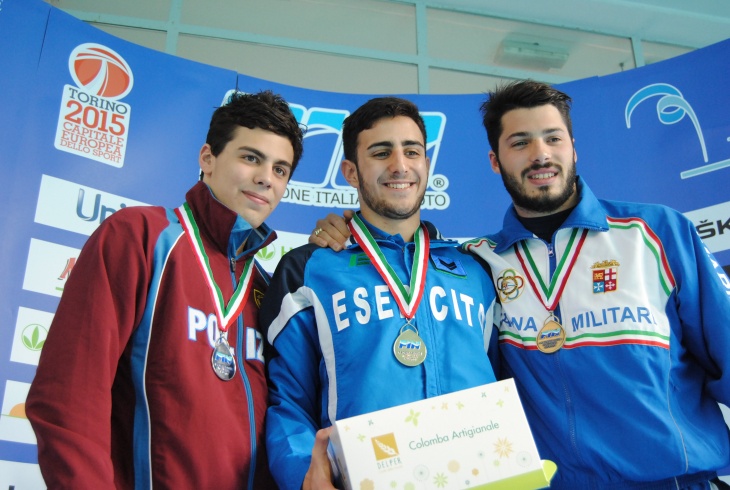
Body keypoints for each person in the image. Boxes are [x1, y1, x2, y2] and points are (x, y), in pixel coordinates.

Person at [311, 80, 730, 489]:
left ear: (573, 147)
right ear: (495, 160)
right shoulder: (478, 261)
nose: (540, 155)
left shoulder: (654, 233)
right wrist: (347, 229)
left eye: (553, 138)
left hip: (672, 480)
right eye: (520, 143)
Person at [25, 90, 304, 489]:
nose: (266, 178)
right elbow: (68, 399)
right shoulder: (140, 237)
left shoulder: (266, 289)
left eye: (281, 169)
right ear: (207, 159)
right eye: (251, 157)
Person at [260, 96, 499, 490]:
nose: (400, 165)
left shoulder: (475, 271)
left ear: (426, 164)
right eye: (381, 152)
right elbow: (287, 400)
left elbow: (503, 383)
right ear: (351, 173)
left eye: (412, 151)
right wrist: (304, 472)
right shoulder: (309, 269)